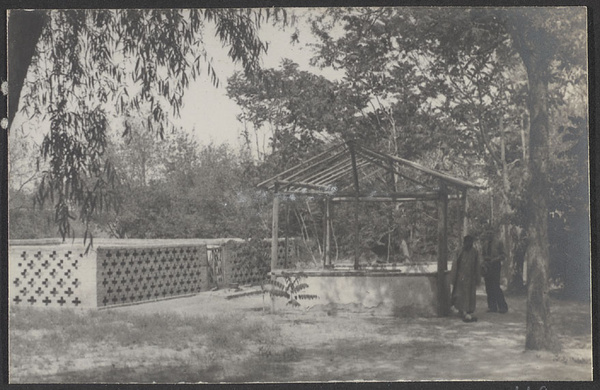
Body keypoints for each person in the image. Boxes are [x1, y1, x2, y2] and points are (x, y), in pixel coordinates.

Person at [451, 235, 480, 322]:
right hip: (461, 277)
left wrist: (477, 277)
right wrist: (454, 277)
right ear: (464, 243)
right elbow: (455, 264)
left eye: (471, 243)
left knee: (470, 294)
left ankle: (467, 311)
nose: (469, 244)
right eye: (467, 242)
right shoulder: (459, 251)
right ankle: (462, 311)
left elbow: (477, 265)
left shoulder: (475, 252)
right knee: (461, 295)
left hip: (471, 277)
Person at [481, 229, 509, 313]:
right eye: (487, 233)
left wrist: (495, 259)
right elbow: (483, 255)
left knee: (496, 286)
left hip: (495, 266)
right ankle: (492, 307)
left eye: (490, 233)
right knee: (488, 287)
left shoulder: (498, 242)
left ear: (494, 233)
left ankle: (503, 307)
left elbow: (503, 255)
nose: (489, 234)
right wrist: (484, 261)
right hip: (487, 266)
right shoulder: (485, 244)